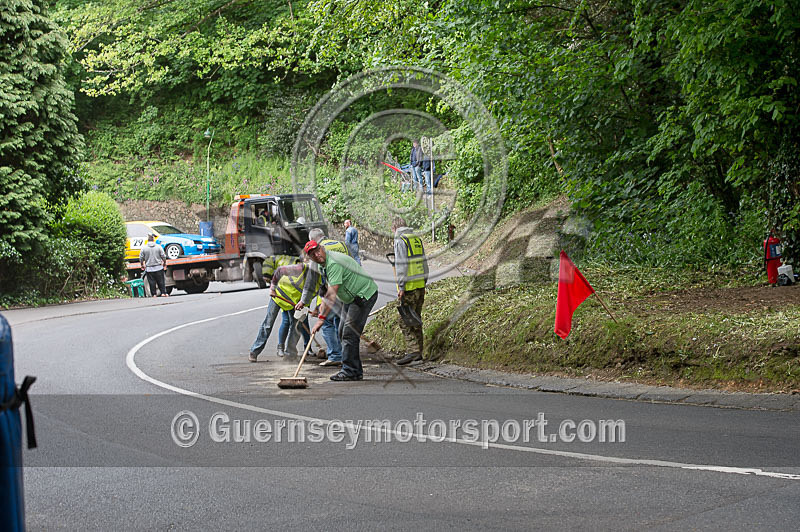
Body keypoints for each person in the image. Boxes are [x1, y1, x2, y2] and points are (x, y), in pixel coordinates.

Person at [306, 240, 378, 381]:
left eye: (317, 251)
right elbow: (327, 290)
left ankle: (350, 371)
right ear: (310, 258)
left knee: (349, 334)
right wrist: (319, 308)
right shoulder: (323, 265)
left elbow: (332, 294)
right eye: (313, 254)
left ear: (321, 248)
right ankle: (355, 370)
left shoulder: (333, 263)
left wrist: (321, 319)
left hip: (363, 295)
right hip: (350, 298)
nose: (317, 255)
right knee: (342, 331)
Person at [248, 261, 320, 362]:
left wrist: (316, 308)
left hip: (295, 303)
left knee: (296, 327)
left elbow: (318, 295)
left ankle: (290, 355)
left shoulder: (320, 279)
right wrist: (272, 289)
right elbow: (279, 270)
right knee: (268, 324)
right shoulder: (300, 269)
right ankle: (254, 351)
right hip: (279, 296)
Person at [301, 229, 347, 366]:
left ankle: (335, 355)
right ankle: (346, 354)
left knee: (326, 322)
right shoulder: (341, 244)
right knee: (340, 322)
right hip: (347, 289)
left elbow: (312, 278)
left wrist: (304, 300)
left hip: (332, 290)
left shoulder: (318, 250)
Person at [392, 217, 429, 365]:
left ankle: (413, 352)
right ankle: (419, 351)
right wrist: (424, 282)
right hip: (420, 285)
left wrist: (401, 287)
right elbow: (424, 262)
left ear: (394, 228)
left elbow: (402, 265)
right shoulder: (416, 239)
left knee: (405, 321)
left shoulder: (400, 240)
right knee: (416, 318)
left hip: (409, 287)